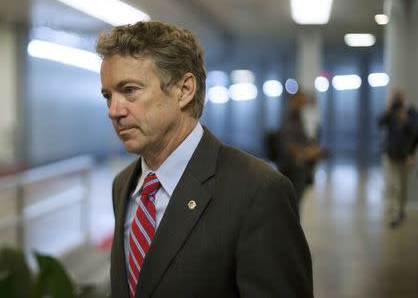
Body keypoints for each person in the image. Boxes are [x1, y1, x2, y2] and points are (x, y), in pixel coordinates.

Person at [96, 21, 313, 298]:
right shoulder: (123, 185)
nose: (114, 110)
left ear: (184, 90)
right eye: (108, 96)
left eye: (129, 90)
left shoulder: (259, 192)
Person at [379, 90, 418, 228]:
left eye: (399, 97)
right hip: (391, 154)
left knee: (402, 186)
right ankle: (394, 211)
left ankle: (400, 211)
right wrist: (388, 109)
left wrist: (411, 154)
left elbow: (414, 131)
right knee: (392, 184)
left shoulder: (411, 111)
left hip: (404, 155)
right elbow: (380, 122)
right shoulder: (391, 112)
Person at [278, 90, 324, 205]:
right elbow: (289, 145)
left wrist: (313, 150)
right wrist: (306, 153)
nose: (302, 104)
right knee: (292, 203)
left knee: (297, 202)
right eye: (299, 101)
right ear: (292, 101)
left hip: (300, 167)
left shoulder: (300, 119)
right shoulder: (288, 120)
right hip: (292, 168)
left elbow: (304, 140)